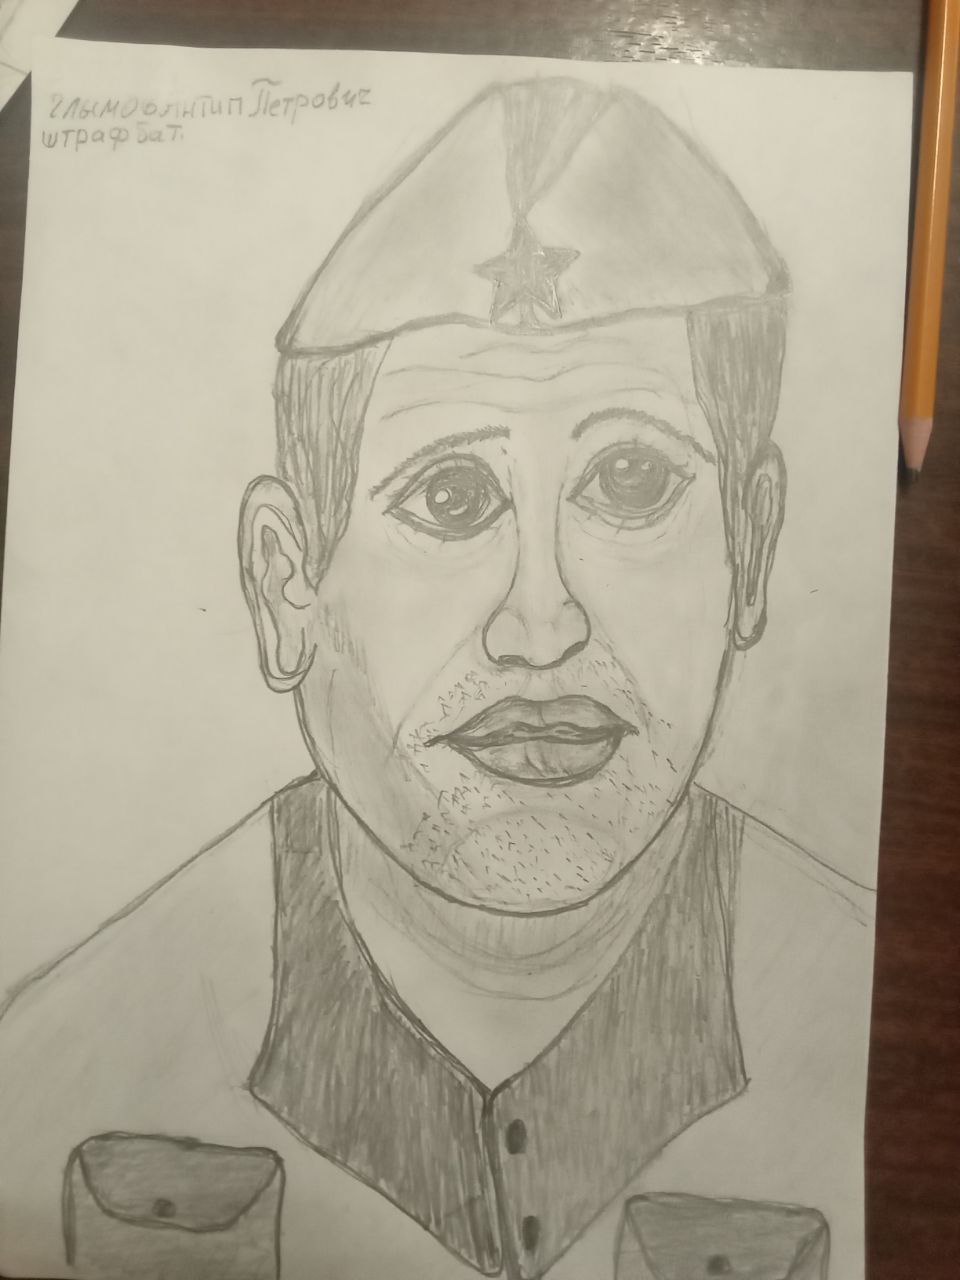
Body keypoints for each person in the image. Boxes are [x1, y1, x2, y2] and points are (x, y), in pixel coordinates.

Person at [0, 78, 873, 1280]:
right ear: (286, 586)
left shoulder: (865, 1009)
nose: (542, 622)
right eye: (451, 497)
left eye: (632, 483)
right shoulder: (62, 1065)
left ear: (754, 549)